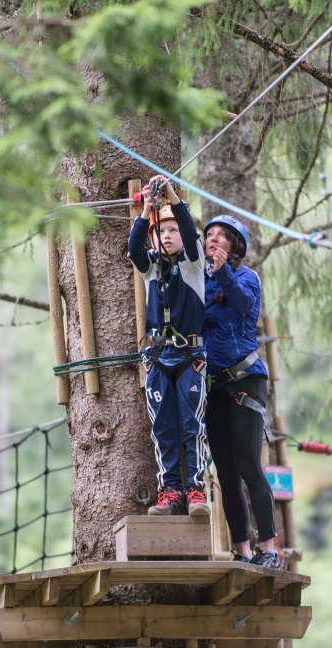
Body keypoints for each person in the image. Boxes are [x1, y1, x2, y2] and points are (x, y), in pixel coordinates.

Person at [202, 214, 283, 569]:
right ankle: (243, 550)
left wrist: (221, 271)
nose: (213, 240)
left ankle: (269, 547)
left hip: (245, 380)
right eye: (209, 236)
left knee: (249, 464)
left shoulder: (247, 278)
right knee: (224, 471)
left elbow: (241, 304)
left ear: (236, 244)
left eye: (222, 236)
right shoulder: (198, 283)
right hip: (214, 387)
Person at [127, 175, 210, 517]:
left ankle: (195, 491)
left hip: (190, 356)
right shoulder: (151, 269)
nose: (169, 236)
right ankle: (170, 491)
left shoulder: (193, 264)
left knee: (192, 424)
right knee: (163, 427)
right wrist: (147, 210)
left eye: (173, 231)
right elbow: (134, 249)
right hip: (158, 356)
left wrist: (173, 198)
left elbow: (191, 236)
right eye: (162, 232)